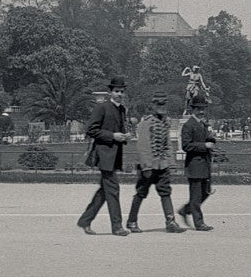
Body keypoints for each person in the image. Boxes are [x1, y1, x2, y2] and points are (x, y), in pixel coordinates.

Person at [77, 77, 131, 236]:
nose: (119, 94)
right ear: (110, 92)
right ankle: (117, 227)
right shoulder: (102, 108)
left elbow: (118, 130)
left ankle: (85, 220)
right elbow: (91, 130)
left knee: (105, 191)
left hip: (114, 155)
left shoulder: (122, 109)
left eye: (121, 92)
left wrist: (124, 136)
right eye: (116, 91)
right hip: (104, 155)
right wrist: (112, 136)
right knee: (113, 189)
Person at [127, 92, 185, 233]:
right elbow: (143, 145)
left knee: (165, 192)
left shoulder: (166, 122)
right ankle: (131, 221)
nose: (161, 107)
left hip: (162, 165)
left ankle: (170, 222)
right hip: (149, 166)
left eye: (163, 104)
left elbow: (168, 145)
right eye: (158, 104)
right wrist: (146, 166)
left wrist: (171, 163)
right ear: (153, 106)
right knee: (141, 192)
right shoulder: (146, 123)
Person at [178, 70, 218, 230]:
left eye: (203, 108)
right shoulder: (188, 125)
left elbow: (209, 141)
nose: (201, 111)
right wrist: (204, 146)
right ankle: (199, 222)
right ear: (193, 109)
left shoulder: (203, 124)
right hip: (194, 165)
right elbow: (186, 146)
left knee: (206, 192)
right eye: (198, 109)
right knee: (196, 195)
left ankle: (184, 210)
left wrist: (212, 137)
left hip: (204, 164)